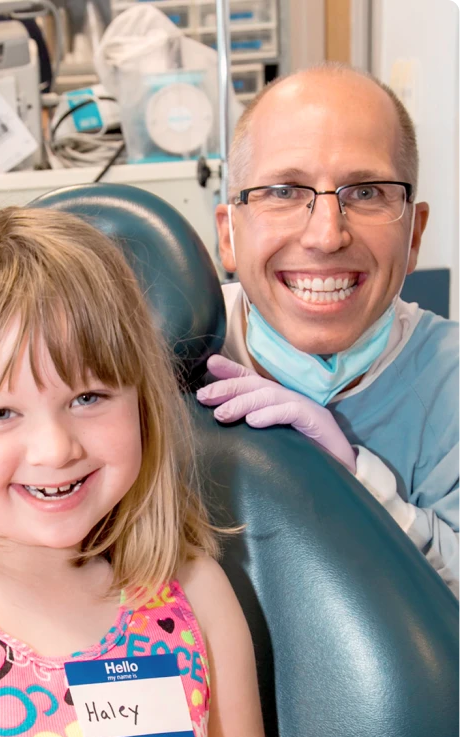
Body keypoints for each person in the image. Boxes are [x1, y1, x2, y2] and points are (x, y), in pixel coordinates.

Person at [0, 206, 277, 737]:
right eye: (0, 413)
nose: (56, 449)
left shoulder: (193, 596)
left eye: (88, 397)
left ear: (143, 403)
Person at [197, 63, 460, 598]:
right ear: (228, 235)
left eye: (366, 193)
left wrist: (357, 486)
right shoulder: (171, 350)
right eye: (284, 191)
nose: (326, 235)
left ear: (414, 237)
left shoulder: (449, 381)